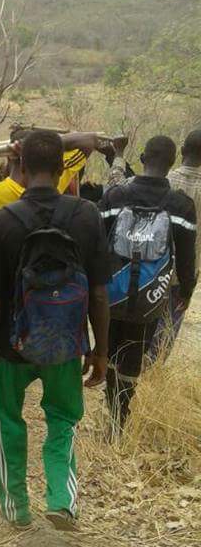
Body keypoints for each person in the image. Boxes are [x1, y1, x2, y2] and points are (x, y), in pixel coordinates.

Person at [0, 130, 111, 530]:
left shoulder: (0, 221)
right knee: (63, 421)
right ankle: (61, 499)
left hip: (11, 346)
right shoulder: (86, 215)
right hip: (67, 342)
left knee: (6, 421)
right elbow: (99, 293)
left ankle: (16, 508)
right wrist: (99, 350)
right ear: (61, 166)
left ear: (24, 167)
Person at [99, 135, 197, 431]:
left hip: (112, 292)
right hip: (151, 294)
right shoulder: (181, 205)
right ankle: (120, 414)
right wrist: (187, 291)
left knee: (111, 344)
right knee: (135, 350)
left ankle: (110, 399)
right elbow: (187, 259)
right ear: (172, 164)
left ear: (141, 158)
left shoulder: (115, 196)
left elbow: (98, 243)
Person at [148, 128, 201, 358]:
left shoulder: (164, 181)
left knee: (145, 322)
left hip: (152, 269)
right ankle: (154, 373)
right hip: (186, 274)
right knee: (167, 332)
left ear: (182, 151)